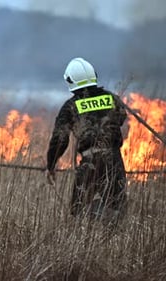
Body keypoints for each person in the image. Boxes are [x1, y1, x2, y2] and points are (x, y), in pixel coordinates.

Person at [46, 57, 127, 222]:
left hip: (90, 165)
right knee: (115, 214)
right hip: (115, 164)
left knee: (80, 214)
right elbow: (121, 118)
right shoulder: (112, 99)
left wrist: (51, 165)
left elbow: (60, 139)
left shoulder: (71, 106)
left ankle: (86, 245)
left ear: (70, 80)